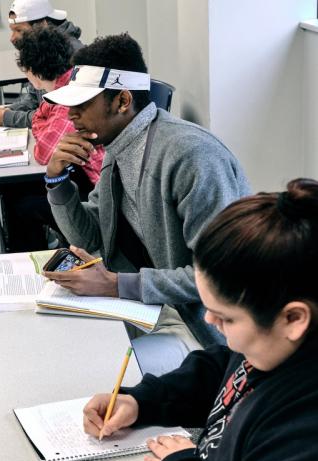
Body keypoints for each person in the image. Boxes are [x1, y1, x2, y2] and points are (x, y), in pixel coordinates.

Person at [83, 179, 318, 461]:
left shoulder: (304, 433)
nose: (209, 320)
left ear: (293, 319)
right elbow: (222, 369)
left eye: (226, 317)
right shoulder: (271, 347)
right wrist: (142, 401)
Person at [41, 34, 250, 375]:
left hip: (210, 332)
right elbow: (93, 236)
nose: (71, 116)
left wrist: (115, 284)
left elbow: (220, 277)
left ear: (122, 101)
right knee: (65, 351)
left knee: (94, 371)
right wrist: (57, 181)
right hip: (150, 307)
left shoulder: (192, 156)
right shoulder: (118, 147)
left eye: (82, 105)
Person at [0, 24, 102, 252]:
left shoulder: (67, 94)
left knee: (22, 205)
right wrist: (39, 122)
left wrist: (39, 122)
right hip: (82, 175)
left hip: (94, 191)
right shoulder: (62, 85)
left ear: (33, 70)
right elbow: (39, 120)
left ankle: (29, 258)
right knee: (12, 189)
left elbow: (44, 152)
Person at [0, 0, 83, 128]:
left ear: (42, 25)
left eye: (19, 30)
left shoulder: (68, 55)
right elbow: (34, 99)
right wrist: (6, 111)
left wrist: (5, 117)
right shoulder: (41, 49)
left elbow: (53, 117)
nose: (12, 38)